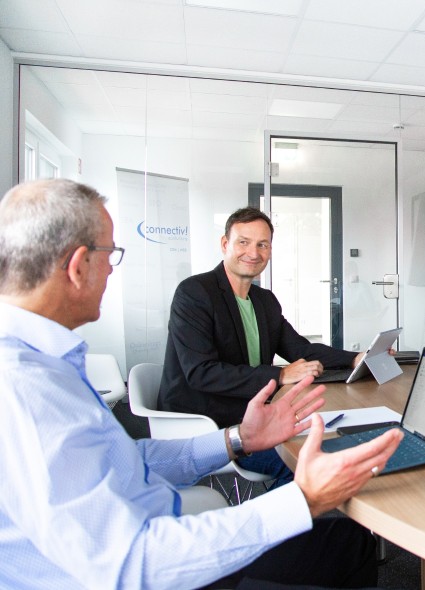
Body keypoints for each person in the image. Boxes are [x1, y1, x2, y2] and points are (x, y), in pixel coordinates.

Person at [0, 179, 403, 588]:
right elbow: (130, 565)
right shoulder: (27, 387)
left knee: (336, 524)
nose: (111, 268)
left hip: (193, 480)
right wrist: (304, 500)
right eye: (111, 254)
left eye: (263, 245)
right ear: (79, 265)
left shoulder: (47, 365)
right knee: (340, 536)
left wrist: (238, 438)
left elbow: (125, 460)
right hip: (173, 521)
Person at [159, 207, 362, 485]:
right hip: (208, 423)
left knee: (331, 445)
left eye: (262, 245)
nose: (253, 253)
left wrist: (355, 358)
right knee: (303, 464)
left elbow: (300, 350)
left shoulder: (264, 300)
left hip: (254, 412)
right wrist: (278, 374)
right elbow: (201, 372)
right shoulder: (194, 293)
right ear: (224, 244)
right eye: (243, 242)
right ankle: (273, 527)